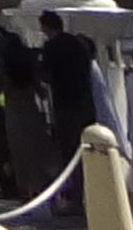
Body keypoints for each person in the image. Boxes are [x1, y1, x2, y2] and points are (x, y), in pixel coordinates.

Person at [37, 13, 100, 167]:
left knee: (69, 150)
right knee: (88, 147)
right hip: (85, 104)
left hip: (65, 105)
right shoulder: (79, 44)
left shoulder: (51, 47)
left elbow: (45, 74)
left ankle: (74, 187)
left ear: (47, 27)